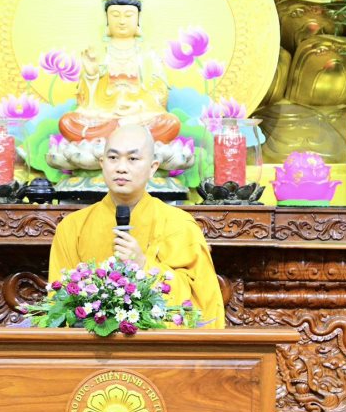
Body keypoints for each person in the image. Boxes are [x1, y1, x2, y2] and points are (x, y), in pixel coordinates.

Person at [49, 124, 225, 327]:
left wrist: (144, 266)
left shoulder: (180, 225)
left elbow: (203, 302)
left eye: (133, 159)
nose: (121, 168)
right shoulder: (72, 228)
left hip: (160, 344)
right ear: (102, 163)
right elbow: (58, 304)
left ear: (153, 168)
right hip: (91, 342)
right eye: (113, 158)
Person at [58, 0, 182, 144]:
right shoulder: (99, 55)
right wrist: (91, 76)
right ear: (107, 20)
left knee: (170, 123)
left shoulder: (148, 56)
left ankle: (115, 134)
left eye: (128, 15)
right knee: (67, 122)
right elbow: (85, 102)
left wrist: (138, 106)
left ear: (138, 20)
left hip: (138, 116)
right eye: (115, 15)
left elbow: (160, 95)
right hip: (104, 115)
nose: (122, 21)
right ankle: (122, 132)